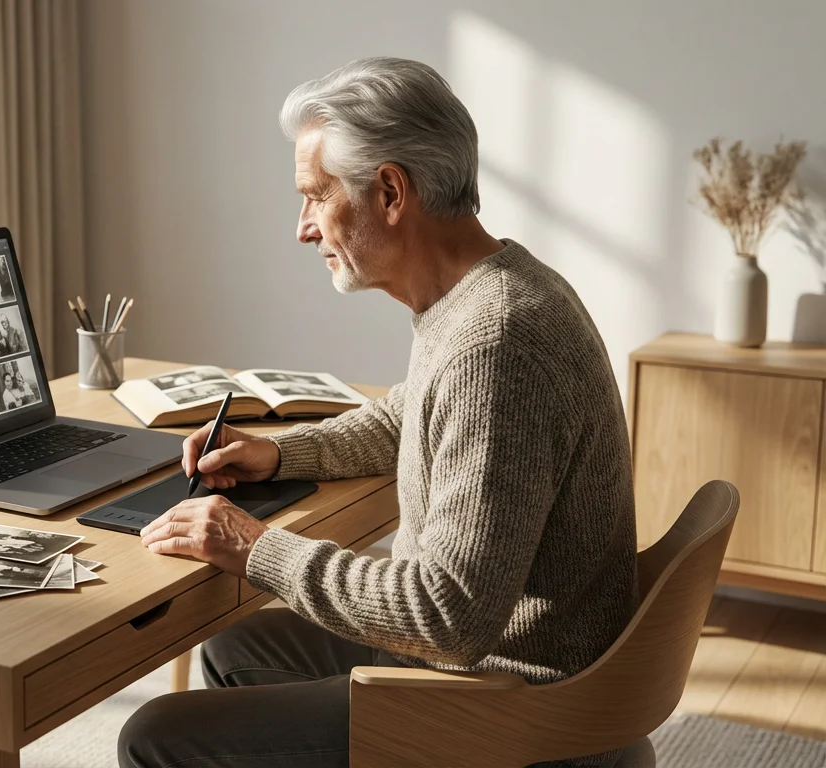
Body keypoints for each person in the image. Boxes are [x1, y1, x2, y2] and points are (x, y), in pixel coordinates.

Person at [120, 58, 638, 768]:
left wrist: (254, 548)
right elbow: (412, 415)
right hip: (514, 662)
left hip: (511, 706)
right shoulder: (492, 291)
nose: (303, 228)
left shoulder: (498, 343)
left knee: (153, 738)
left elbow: (448, 616)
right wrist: (280, 453)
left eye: (314, 196)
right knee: (239, 646)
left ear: (391, 191)